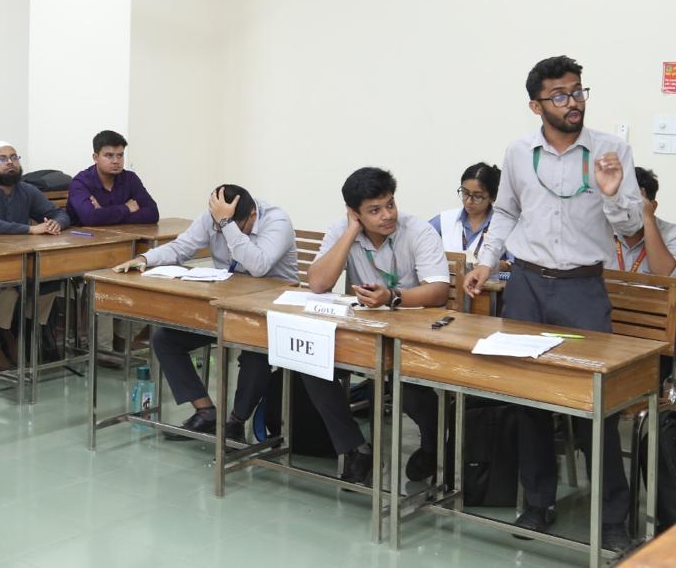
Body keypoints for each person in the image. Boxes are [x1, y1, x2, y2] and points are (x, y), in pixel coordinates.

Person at [465, 55, 642, 554]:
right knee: (529, 400)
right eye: (560, 95)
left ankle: (612, 516)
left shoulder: (611, 151)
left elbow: (630, 227)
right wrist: (485, 262)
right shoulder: (518, 152)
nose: (573, 102)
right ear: (536, 105)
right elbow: (505, 212)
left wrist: (612, 195)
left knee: (596, 406)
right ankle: (538, 500)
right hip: (526, 285)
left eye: (578, 91)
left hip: (583, 289)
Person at [113, 184, 296, 443]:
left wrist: (226, 224)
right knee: (165, 339)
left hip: (268, 312)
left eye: (227, 225)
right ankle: (206, 412)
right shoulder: (213, 218)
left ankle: (236, 423)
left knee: (255, 354)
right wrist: (145, 259)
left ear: (252, 215)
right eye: (218, 226)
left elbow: (259, 266)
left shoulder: (276, 221)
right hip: (225, 306)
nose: (220, 231)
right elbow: (181, 247)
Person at [307, 167, 451, 484]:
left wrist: (393, 297)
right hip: (365, 333)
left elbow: (439, 291)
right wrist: (350, 232)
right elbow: (317, 283)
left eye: (390, 204)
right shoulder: (342, 230)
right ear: (354, 213)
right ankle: (356, 448)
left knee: (408, 387)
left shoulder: (418, 231)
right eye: (374, 210)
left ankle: (433, 445)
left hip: (413, 333)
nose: (387, 215)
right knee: (312, 363)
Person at [0, 142, 71, 370]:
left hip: (18, 259)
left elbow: (58, 213)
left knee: (51, 279)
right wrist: (30, 230)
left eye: (14, 157)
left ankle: (25, 336)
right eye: (2, 159)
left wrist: (55, 224)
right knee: (9, 285)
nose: (10, 162)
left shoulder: (26, 190)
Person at [66, 129, 160, 354]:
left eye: (120, 155)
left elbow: (152, 213)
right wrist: (127, 208)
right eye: (109, 155)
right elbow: (90, 218)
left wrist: (106, 213)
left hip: (123, 248)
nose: (116, 161)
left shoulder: (129, 179)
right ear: (95, 157)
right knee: (105, 280)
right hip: (86, 250)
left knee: (151, 278)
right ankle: (103, 349)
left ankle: (122, 337)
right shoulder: (81, 182)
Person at [606, 167, 676, 281]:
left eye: (633, 204)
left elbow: (667, 279)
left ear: (653, 206)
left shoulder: (674, 235)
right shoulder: (602, 229)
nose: (625, 210)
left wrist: (648, 218)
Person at [429, 162, 501, 262]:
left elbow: (514, 263)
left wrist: (500, 265)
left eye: (477, 196)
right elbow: (418, 239)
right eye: (465, 193)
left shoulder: (502, 225)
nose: (468, 201)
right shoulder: (445, 220)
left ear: (492, 197)